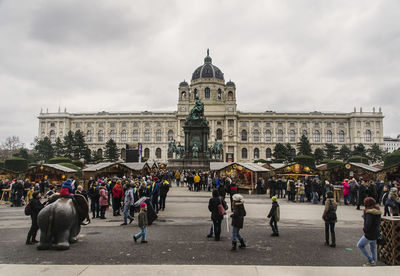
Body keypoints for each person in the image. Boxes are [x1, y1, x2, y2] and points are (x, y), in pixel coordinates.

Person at [357, 197, 382, 266]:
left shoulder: (369, 213)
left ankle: (371, 260)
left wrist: (365, 230)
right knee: (373, 248)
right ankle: (374, 261)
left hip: (369, 234)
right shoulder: (377, 212)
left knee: (360, 245)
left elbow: (368, 225)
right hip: (376, 232)